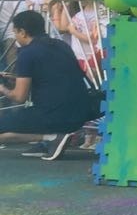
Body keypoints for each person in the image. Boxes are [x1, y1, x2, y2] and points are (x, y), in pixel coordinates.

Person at [0, 11, 100, 160]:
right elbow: (51, 77)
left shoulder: (27, 53)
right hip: (83, 110)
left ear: (23, 32)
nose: (15, 37)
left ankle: (50, 138)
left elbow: (19, 97)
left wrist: (2, 88)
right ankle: (49, 141)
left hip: (54, 114)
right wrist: (15, 78)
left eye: (15, 32)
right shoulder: (61, 45)